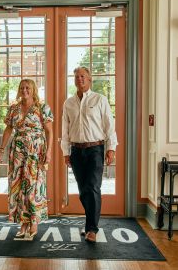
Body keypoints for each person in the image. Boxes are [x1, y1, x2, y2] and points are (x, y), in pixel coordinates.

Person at [61, 67, 117, 243]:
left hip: (95, 150)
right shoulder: (68, 103)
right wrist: (65, 152)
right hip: (76, 151)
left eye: (83, 76)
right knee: (83, 191)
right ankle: (89, 223)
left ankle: (92, 229)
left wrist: (111, 148)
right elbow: (65, 130)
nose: (79, 79)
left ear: (90, 79)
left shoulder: (100, 99)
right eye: (76, 76)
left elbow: (109, 125)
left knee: (93, 187)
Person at [0, 79, 53, 238]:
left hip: (36, 152)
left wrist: (48, 152)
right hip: (17, 152)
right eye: (22, 87)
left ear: (33, 89)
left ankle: (33, 220)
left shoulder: (42, 108)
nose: (24, 90)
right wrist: (1, 149)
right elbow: (8, 129)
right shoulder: (14, 108)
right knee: (18, 186)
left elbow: (49, 132)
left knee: (33, 186)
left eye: (28, 87)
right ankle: (23, 222)